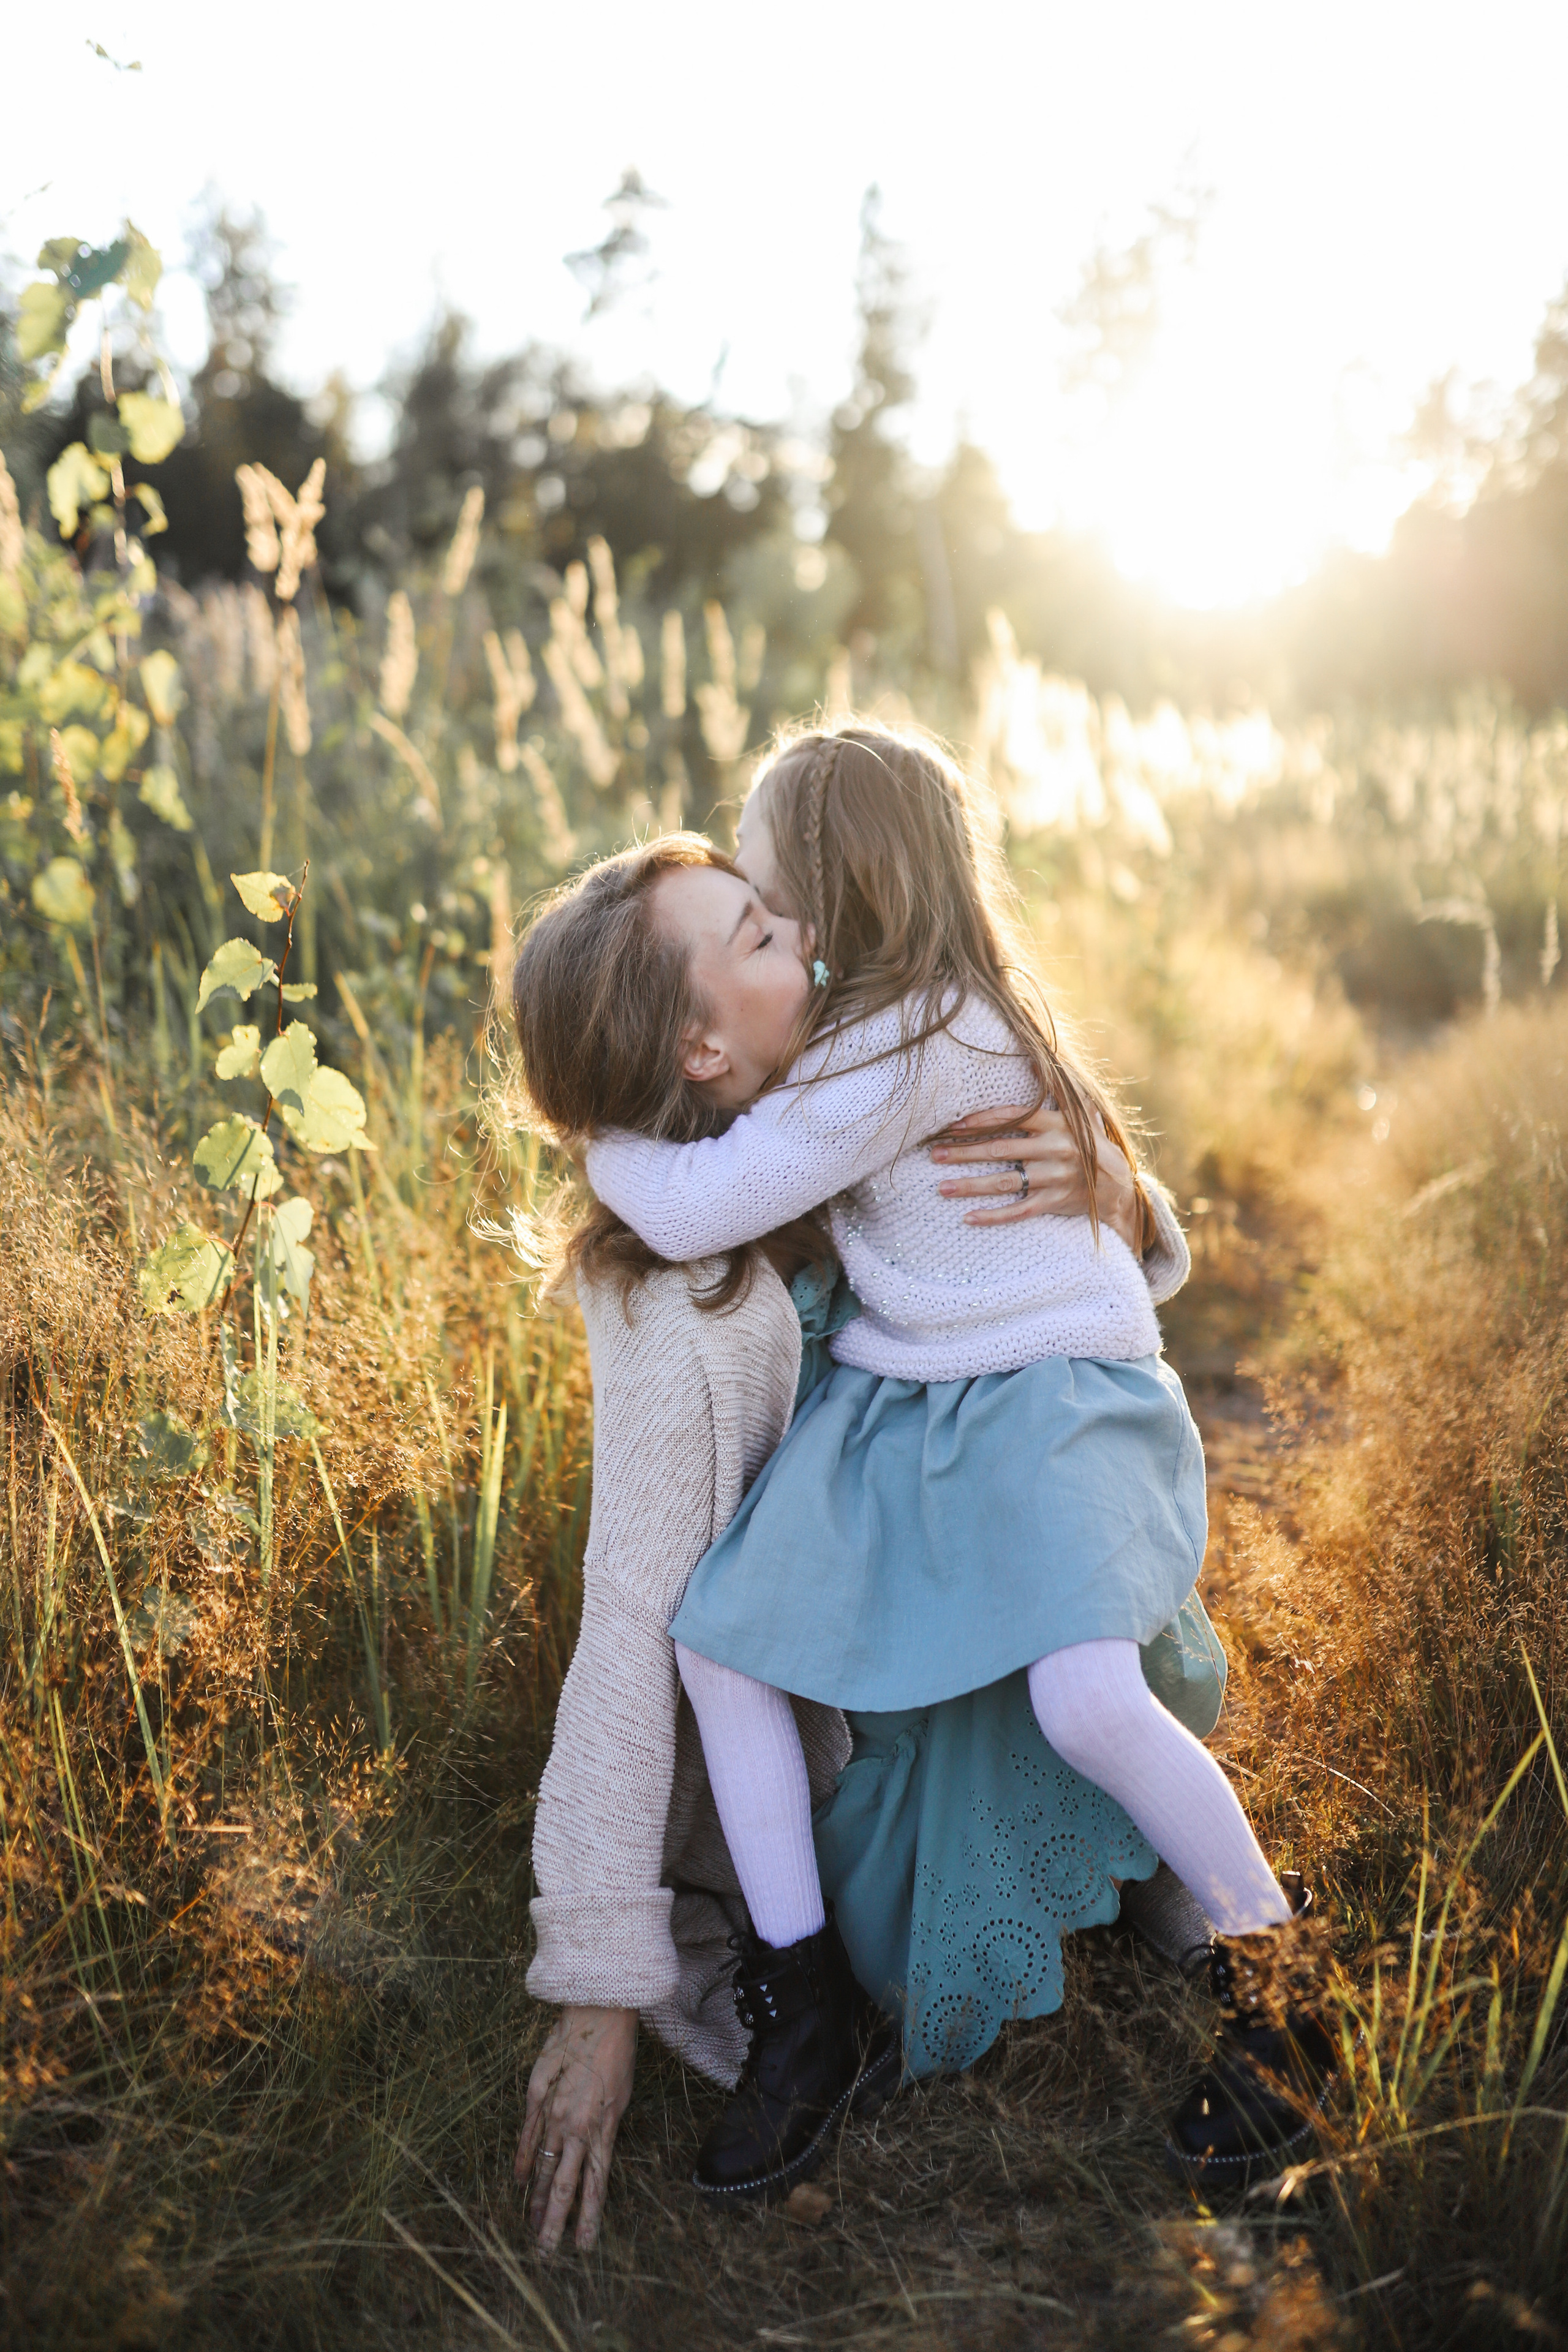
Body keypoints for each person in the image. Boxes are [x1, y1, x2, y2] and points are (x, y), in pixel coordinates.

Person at [582, 722, 1333, 2198]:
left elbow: (704, 1201)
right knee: (722, 1645)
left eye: (774, 896)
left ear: (843, 897)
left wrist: (596, 1138)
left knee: (1085, 1697)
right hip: (914, 1399)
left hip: (1052, 1403)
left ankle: (1280, 1982)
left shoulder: (915, 1041)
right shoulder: (891, 1029)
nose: (770, 920)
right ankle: (805, 2005)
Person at [508, 838, 1217, 2250]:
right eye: (760, 939)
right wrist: (593, 1985)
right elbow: (624, 1637)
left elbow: (1039, 1305)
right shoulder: (683, 1320)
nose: (807, 941)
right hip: (876, 1697)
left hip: (979, 1580)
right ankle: (830, 1993)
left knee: (1099, 1601)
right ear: (699, 1043)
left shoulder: (843, 1101)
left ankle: (1198, 1923)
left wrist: (1120, 1200)